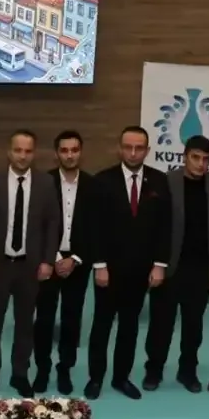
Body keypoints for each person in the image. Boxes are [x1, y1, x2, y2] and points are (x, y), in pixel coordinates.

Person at [86, 126, 172, 400]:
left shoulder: (159, 181)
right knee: (101, 325)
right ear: (119, 148)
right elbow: (94, 227)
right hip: (108, 270)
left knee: (130, 326)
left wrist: (159, 264)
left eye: (139, 148)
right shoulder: (102, 180)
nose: (133, 153)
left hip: (141, 270)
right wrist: (99, 265)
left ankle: (121, 378)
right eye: (128, 147)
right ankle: (95, 378)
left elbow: (165, 227)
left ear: (147, 150)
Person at [142, 136, 209, 394]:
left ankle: (188, 371)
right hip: (169, 266)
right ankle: (154, 370)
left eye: (206, 159)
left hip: (201, 268)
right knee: (161, 324)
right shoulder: (166, 181)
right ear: (184, 156)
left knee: (193, 325)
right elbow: (154, 225)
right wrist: (154, 263)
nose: (201, 164)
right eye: (195, 157)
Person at [0, 130, 60, 397]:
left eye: (28, 151)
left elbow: (52, 223)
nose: (22, 156)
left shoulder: (46, 183)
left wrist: (48, 260)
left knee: (25, 324)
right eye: (18, 150)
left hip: (30, 266)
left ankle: (20, 374)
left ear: (34, 154)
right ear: (9, 152)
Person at [34, 131, 95, 395]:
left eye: (74, 150)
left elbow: (97, 228)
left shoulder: (93, 185)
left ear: (81, 152)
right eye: (64, 150)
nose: (70, 155)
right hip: (48, 261)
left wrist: (75, 259)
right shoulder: (43, 182)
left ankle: (64, 369)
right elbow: (36, 224)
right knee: (44, 318)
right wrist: (56, 257)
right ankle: (42, 369)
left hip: (78, 263)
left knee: (72, 319)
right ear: (56, 153)